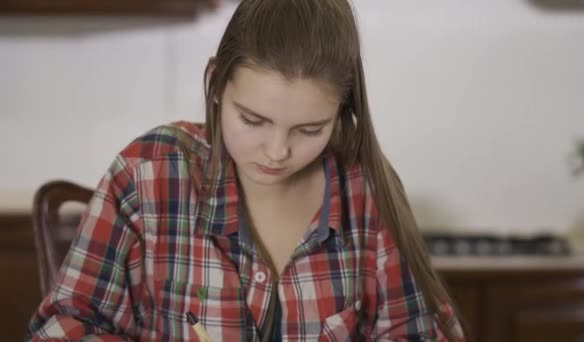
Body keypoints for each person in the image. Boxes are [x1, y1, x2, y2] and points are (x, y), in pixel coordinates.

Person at [27, 0, 465, 340]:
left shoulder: (364, 190)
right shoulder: (148, 174)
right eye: (253, 120)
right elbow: (63, 327)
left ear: (342, 113)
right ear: (217, 84)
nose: (277, 151)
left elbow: (419, 333)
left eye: (310, 129)